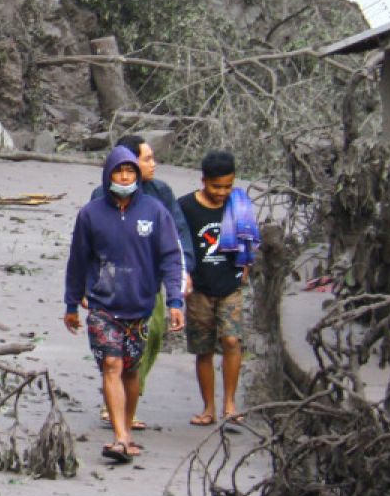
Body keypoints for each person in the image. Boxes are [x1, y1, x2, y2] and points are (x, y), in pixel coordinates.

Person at [64, 146, 186, 463]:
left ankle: (127, 431)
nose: (124, 177)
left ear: (137, 176)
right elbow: (77, 260)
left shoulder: (155, 212)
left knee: (131, 373)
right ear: (108, 175)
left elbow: (172, 258)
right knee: (112, 365)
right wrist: (71, 303)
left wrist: (174, 300)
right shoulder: (90, 214)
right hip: (103, 307)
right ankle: (119, 437)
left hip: (141, 306)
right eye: (119, 172)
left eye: (130, 172)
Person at [89, 135, 196, 430]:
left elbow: (178, 235)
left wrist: (183, 272)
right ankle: (115, 402)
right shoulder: (101, 196)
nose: (154, 164)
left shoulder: (161, 193)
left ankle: (128, 393)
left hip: (149, 279)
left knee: (153, 334)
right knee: (111, 344)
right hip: (110, 281)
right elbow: (88, 244)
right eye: (147, 158)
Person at [178, 150, 252, 426]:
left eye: (228, 186)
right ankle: (208, 407)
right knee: (204, 348)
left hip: (230, 285)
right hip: (199, 288)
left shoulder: (239, 204)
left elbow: (247, 237)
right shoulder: (185, 207)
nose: (222, 192)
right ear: (203, 181)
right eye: (216, 186)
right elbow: (178, 243)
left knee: (232, 340)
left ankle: (230, 404)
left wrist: (246, 265)